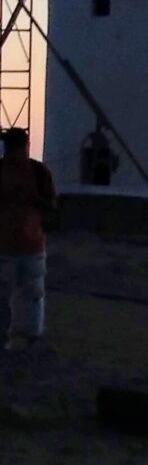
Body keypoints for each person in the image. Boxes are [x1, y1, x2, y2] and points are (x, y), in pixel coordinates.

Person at [0, 128, 57, 351]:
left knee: (33, 293)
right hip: (8, 244)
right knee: (9, 296)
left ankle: (32, 336)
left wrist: (31, 200)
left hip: (30, 244)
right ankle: (9, 337)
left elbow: (51, 205)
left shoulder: (39, 172)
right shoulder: (36, 171)